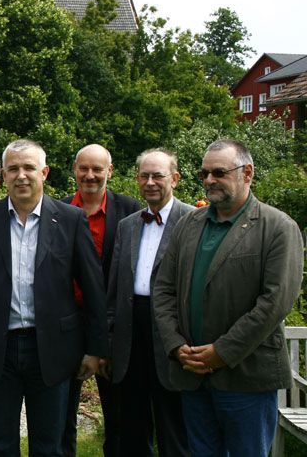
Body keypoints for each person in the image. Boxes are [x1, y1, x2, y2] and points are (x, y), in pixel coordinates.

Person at [0, 139, 107, 456]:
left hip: (52, 349)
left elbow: (93, 290)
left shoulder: (70, 219)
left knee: (49, 446)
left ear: (45, 172)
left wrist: (95, 349)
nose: (21, 175)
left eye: (28, 168)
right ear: (3, 177)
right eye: (13, 169)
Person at [153, 139, 304, 456]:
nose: (209, 180)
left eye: (219, 172)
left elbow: (275, 303)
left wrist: (221, 352)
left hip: (245, 378)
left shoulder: (278, 228)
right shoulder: (189, 225)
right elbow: (163, 289)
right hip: (192, 374)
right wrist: (175, 345)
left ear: (247, 172)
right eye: (204, 173)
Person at [105, 148, 191, 456]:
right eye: (145, 175)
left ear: (175, 179)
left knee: (174, 432)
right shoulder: (128, 225)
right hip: (130, 339)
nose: (150, 182)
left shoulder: (193, 220)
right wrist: (110, 339)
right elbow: (114, 289)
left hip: (171, 339)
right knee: (132, 430)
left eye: (158, 175)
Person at [61, 143, 141, 457]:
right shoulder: (59, 209)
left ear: (109, 171)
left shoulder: (130, 209)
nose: (90, 175)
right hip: (67, 324)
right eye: (84, 168)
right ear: (75, 171)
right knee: (62, 411)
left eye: (98, 169)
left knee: (119, 414)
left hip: (113, 325)